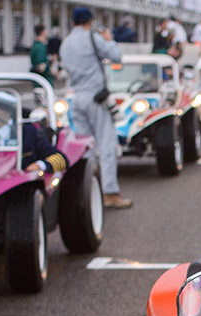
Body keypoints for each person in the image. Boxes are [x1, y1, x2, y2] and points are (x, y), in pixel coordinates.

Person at [60, 7, 132, 209]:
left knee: (85, 148)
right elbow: (116, 56)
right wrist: (108, 39)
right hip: (96, 97)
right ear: (90, 20)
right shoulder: (91, 38)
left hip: (76, 97)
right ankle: (110, 192)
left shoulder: (66, 43)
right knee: (107, 145)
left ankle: (86, 192)